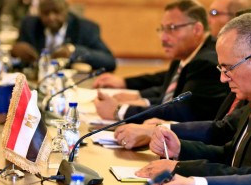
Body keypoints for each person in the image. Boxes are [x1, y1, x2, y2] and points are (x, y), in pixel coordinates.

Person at [136, 12, 251, 178]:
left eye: (228, 68)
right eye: (221, 69)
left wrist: (179, 169)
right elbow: (231, 154)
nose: (223, 78)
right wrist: (180, 149)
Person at [93, 0, 229, 123]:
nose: (163, 37)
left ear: (197, 29)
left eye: (172, 28)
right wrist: (139, 101)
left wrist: (120, 110)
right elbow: (168, 99)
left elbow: (181, 112)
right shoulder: (182, 58)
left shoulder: (206, 62)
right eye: (162, 29)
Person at [10, 0, 116, 71]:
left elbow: (109, 62)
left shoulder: (85, 28)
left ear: (66, 11)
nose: (51, 17)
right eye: (46, 13)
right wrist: (14, 52)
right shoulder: (29, 25)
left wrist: (73, 51)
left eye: (56, 12)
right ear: (39, 13)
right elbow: (18, 63)